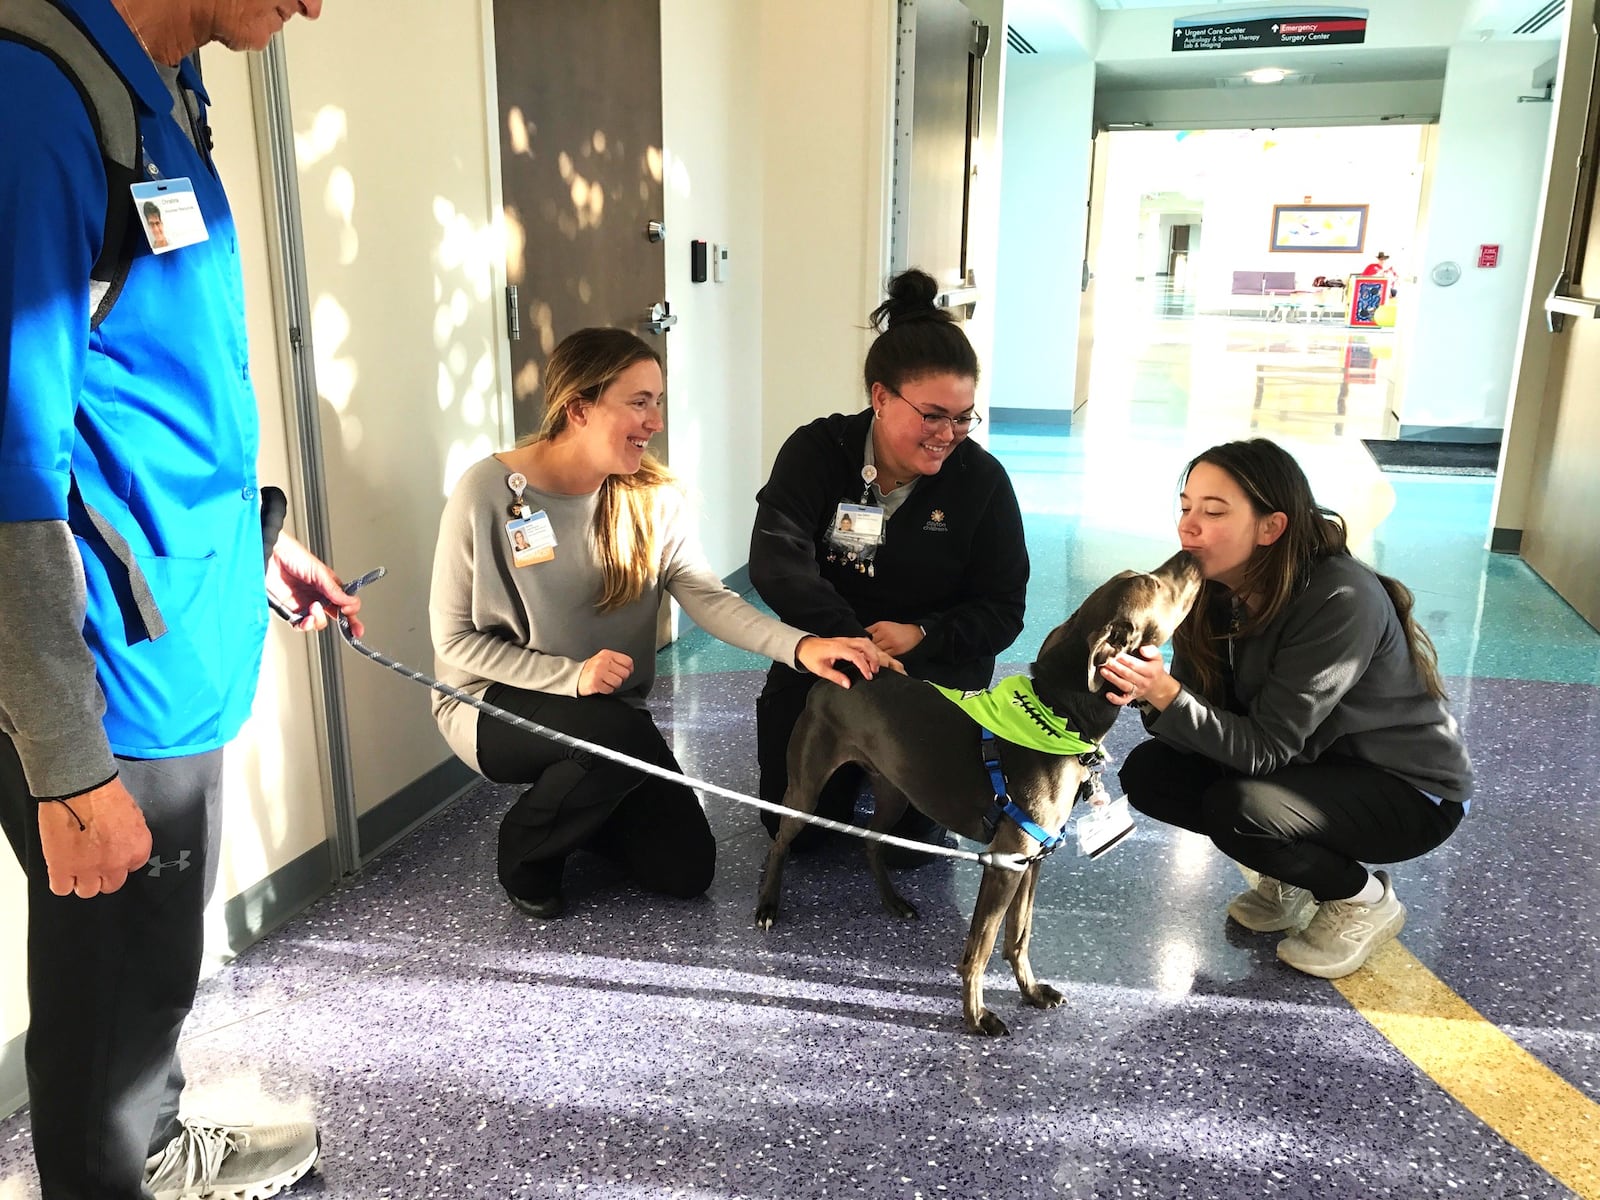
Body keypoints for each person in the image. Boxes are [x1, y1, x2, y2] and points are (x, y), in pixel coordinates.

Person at [0, 1, 359, 1198]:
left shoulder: (157, 83)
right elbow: (8, 469)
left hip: (173, 632)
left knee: (153, 976)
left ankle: (157, 1149)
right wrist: (67, 765)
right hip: (103, 683)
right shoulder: (35, 97)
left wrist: (258, 542)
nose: (315, 7)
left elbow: (148, 383)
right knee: (108, 1013)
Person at [429, 327, 886, 920]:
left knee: (684, 870)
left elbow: (709, 598)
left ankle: (586, 803)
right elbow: (454, 643)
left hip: (608, 713)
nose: (656, 421)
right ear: (579, 408)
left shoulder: (649, 498)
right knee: (609, 740)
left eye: (659, 401)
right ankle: (525, 853)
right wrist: (570, 677)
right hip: (490, 703)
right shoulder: (485, 492)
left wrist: (802, 648)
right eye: (638, 402)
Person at [1104, 439, 1472, 980]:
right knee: (1150, 775)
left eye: (1214, 511)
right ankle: (1296, 874)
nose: (1189, 526)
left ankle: (1363, 900)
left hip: (1406, 790)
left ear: (1271, 527)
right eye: (1186, 507)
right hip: (1310, 764)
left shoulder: (1339, 598)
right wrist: (1152, 692)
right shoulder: (1218, 587)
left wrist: (1166, 695)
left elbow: (1264, 748)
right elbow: (1215, 713)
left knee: (1242, 809)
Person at [748, 268, 1029, 859]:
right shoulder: (819, 452)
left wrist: (925, 634)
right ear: (880, 396)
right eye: (932, 415)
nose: (948, 434)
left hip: (927, 676)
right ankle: (847, 767)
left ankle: (887, 769)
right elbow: (776, 562)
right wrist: (852, 638)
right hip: (828, 662)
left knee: (906, 847)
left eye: (963, 417)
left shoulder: (981, 482)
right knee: (797, 834)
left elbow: (1004, 608)